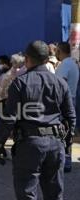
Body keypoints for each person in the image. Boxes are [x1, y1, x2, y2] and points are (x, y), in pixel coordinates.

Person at [0, 41, 76, 200]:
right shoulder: (60, 82)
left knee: (27, 193)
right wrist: (66, 143)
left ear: (27, 58)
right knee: (54, 195)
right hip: (55, 143)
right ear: (47, 59)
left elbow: (9, 118)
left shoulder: (20, 83)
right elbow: (70, 116)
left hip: (29, 145)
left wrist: (0, 143)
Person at [55, 42, 79, 172]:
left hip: (63, 101)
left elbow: (60, 84)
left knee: (61, 131)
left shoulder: (65, 64)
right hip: (71, 99)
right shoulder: (73, 64)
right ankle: (67, 162)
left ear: (59, 51)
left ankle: (62, 162)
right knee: (68, 132)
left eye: (56, 51)